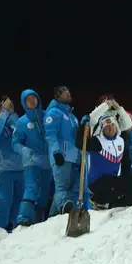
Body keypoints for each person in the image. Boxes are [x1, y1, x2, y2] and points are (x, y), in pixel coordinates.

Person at [76, 98, 132, 210]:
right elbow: (91, 120)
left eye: (112, 126)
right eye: (108, 127)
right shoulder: (97, 121)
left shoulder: (120, 139)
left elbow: (127, 124)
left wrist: (118, 108)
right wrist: (105, 105)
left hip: (111, 174)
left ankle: (116, 202)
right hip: (98, 174)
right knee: (107, 183)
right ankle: (97, 200)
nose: (110, 128)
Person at [12, 89, 51, 227]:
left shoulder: (47, 116)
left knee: (45, 192)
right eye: (28, 99)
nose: (32, 101)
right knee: (31, 187)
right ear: (24, 103)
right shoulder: (21, 122)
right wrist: (24, 150)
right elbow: (15, 143)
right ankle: (23, 217)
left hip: (48, 162)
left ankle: (38, 218)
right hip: (31, 161)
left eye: (34, 98)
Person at [0, 97, 24, 230]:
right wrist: (4, 114)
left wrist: (12, 114)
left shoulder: (11, 120)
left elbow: (21, 131)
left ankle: (15, 228)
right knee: (4, 203)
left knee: (19, 202)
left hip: (20, 168)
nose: (0, 110)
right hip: (3, 170)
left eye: (0, 108)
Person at [44, 85, 83, 215]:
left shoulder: (72, 117)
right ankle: (67, 211)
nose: (68, 94)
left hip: (73, 157)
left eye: (69, 92)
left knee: (70, 189)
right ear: (57, 96)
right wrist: (56, 152)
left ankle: (52, 216)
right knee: (62, 188)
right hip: (61, 156)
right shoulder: (53, 113)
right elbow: (50, 134)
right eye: (65, 93)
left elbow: (77, 139)